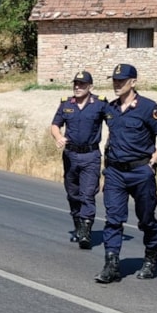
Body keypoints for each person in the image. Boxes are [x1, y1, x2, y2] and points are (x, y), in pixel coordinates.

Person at [96, 63, 157, 284]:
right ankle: (111, 264)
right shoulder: (110, 109)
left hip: (141, 172)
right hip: (115, 173)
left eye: (121, 80)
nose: (116, 84)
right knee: (113, 219)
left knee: (146, 219)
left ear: (133, 82)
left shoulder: (149, 108)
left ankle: (150, 257)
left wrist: (154, 161)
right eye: (114, 80)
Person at [50, 70, 107, 249]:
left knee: (88, 194)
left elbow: (114, 122)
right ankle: (78, 226)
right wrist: (58, 136)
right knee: (73, 194)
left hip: (91, 156)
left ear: (90, 87)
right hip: (70, 156)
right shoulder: (66, 104)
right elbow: (55, 125)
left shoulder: (100, 104)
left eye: (82, 84)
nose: (77, 87)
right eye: (75, 84)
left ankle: (86, 232)